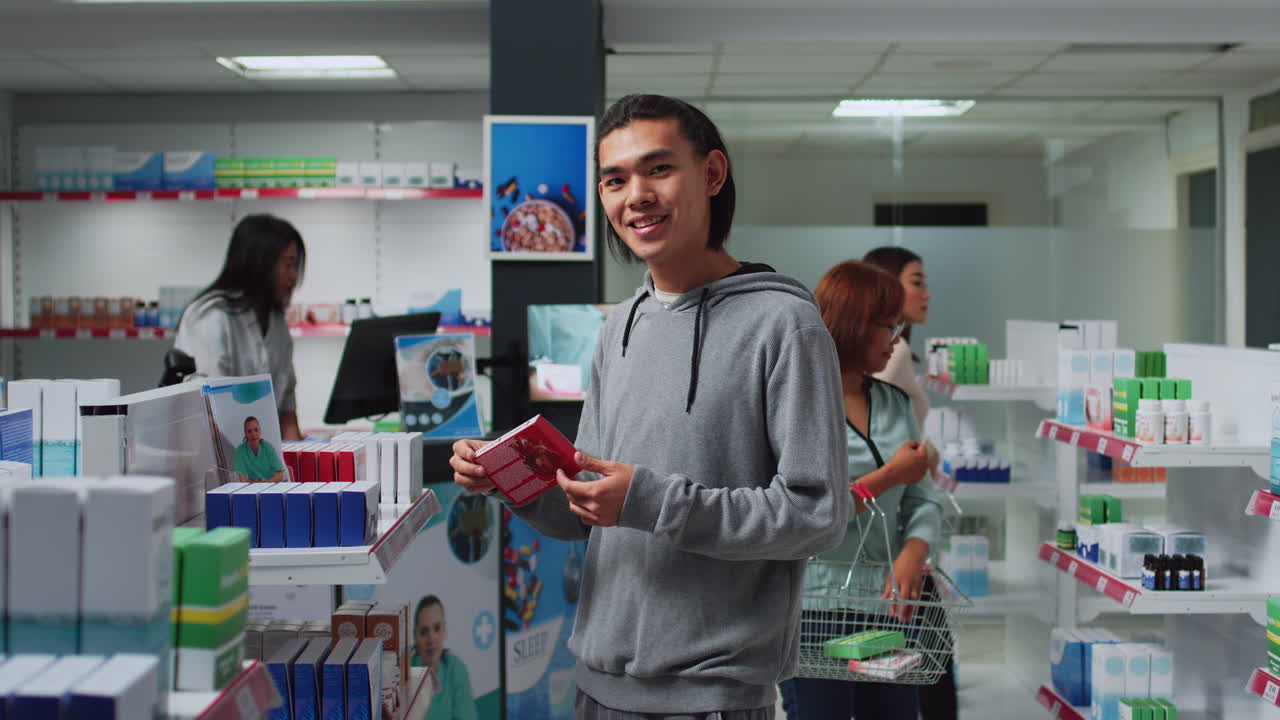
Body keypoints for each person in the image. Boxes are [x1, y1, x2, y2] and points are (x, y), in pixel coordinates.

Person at [450, 93, 850, 719]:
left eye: (657, 169)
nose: (635, 194)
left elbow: (817, 514)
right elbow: (584, 511)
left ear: (712, 175)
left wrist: (651, 501)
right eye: (614, 179)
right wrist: (511, 480)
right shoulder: (619, 326)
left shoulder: (785, 324)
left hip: (710, 696)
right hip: (596, 684)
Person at [778, 260, 945, 720]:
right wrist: (890, 475)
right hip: (813, 604)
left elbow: (924, 496)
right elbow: (802, 514)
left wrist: (914, 551)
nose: (896, 341)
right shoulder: (798, 404)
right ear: (853, 325)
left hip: (888, 606)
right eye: (889, 326)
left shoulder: (894, 403)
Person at [864, 246, 957, 720]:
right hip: (888, 525)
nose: (926, 293)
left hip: (904, 515)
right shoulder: (893, 354)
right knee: (927, 656)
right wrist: (922, 460)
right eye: (916, 281)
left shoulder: (898, 350)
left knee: (921, 654)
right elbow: (885, 444)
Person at [174, 213, 304, 440]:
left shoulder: (276, 321)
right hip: (214, 457)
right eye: (288, 265)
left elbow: (287, 411)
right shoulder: (211, 317)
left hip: (261, 459)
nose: (294, 276)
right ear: (260, 264)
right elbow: (212, 413)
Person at [410, 595, 477, 720]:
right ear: (415, 636)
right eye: (424, 632)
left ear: (445, 629)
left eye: (437, 628)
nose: (431, 639)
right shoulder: (405, 676)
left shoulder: (456, 669)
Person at [233, 416, 285, 482]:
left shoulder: (268, 448)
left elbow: (280, 474)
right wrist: (256, 483)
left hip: (272, 487)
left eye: (256, 430)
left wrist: (267, 482)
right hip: (252, 488)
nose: (253, 434)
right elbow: (241, 479)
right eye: (249, 431)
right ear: (245, 434)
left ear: (260, 431)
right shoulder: (240, 451)